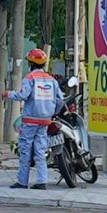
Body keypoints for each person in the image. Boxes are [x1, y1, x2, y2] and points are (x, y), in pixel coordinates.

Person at [15, 51, 63, 187]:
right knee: (40, 152)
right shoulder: (52, 80)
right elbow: (60, 100)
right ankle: (42, 181)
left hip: (30, 121)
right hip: (44, 122)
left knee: (25, 151)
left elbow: (22, 95)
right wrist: (50, 114)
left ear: (30, 63)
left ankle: (22, 182)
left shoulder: (29, 78)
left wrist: (8, 93)